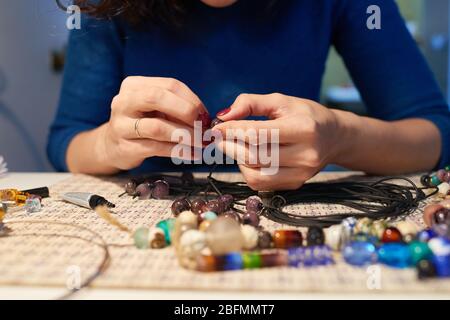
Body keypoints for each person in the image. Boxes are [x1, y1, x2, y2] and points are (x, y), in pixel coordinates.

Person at [48, 0, 450, 190]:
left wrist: (342, 136)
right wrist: (111, 143)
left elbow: (435, 135)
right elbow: (67, 141)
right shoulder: (105, 6)